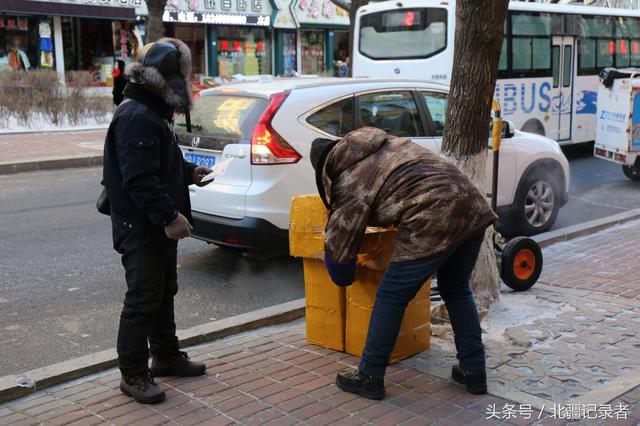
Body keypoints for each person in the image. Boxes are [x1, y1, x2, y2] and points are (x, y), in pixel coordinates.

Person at [309, 127, 498, 400]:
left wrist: (344, 269)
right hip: (472, 205)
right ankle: (474, 371)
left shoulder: (350, 179)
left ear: (326, 169)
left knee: (391, 295)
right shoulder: (388, 146)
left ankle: (370, 375)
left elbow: (340, 262)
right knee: (456, 288)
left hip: (432, 214)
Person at [102, 38, 213, 405]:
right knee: (143, 299)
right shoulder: (137, 116)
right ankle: (132, 374)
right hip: (143, 226)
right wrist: (169, 216)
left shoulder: (151, 111)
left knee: (163, 293)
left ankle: (165, 355)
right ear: (168, 75)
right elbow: (139, 179)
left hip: (153, 226)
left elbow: (159, 164)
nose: (189, 78)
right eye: (184, 71)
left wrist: (188, 172)